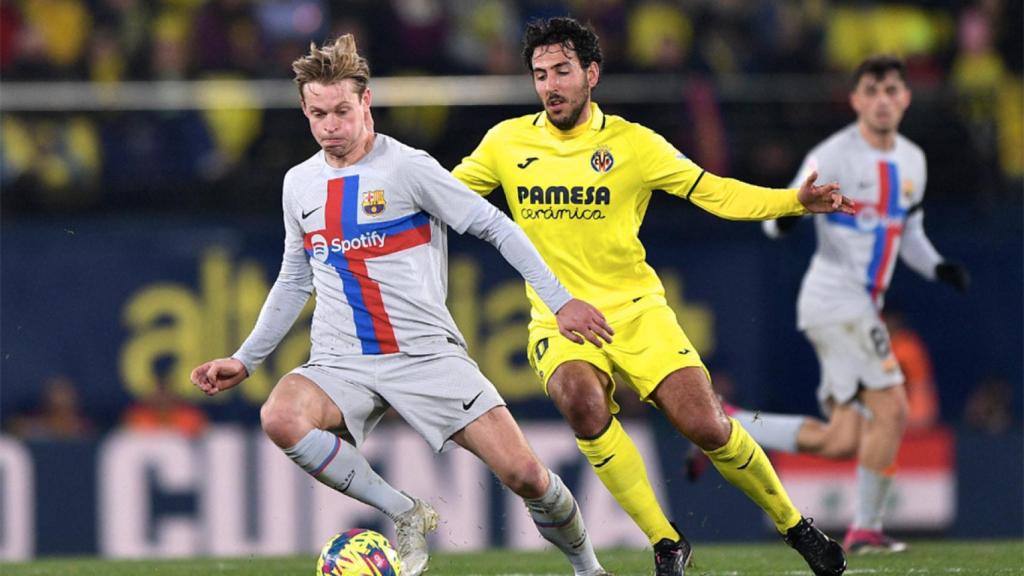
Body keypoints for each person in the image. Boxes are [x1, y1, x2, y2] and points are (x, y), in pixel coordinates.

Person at [189, 35, 614, 576]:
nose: (330, 126)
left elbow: (495, 227)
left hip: (423, 354)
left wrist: (560, 302)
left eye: (342, 111)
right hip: (341, 358)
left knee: (527, 475)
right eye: (318, 113)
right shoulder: (299, 184)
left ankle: (588, 568)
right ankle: (406, 511)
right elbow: (295, 278)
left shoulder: (409, 168)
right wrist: (245, 359)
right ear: (304, 109)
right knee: (280, 415)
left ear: (366, 103)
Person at [452, 17, 850, 576]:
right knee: (580, 401)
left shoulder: (634, 145)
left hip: (637, 312)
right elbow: (445, 196)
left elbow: (713, 191)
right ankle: (666, 542)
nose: (551, 86)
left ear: (591, 73)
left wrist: (793, 202)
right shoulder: (505, 142)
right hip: (558, 318)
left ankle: (794, 525)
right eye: (540, 75)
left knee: (705, 425)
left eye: (562, 71)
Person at [721, 55, 970, 555]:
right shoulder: (831, 154)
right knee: (894, 409)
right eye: (871, 90)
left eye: (891, 90)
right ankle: (866, 528)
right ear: (855, 100)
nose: (882, 99)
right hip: (837, 299)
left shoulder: (913, 161)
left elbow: (910, 234)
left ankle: (729, 423)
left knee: (841, 439)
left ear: (905, 97)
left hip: (858, 306)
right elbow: (779, 213)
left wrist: (939, 266)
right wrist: (792, 216)